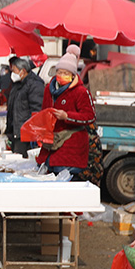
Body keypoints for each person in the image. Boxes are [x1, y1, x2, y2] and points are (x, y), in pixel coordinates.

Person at [35, 48, 96, 178]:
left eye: (65, 73)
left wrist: (67, 116)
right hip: (50, 146)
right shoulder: (48, 89)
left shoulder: (81, 92)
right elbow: (43, 112)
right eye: (59, 72)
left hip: (71, 148)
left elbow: (90, 117)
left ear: (73, 75)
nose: (61, 75)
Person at [5, 57, 45, 157]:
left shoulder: (34, 85)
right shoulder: (17, 85)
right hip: (16, 132)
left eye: (14, 70)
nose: (12, 74)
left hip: (27, 134)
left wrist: (33, 132)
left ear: (22, 71)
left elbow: (37, 110)